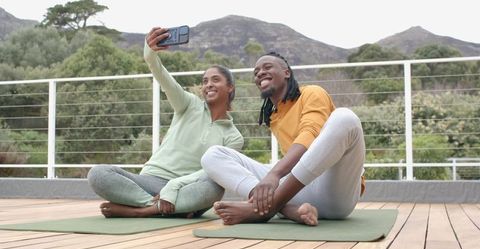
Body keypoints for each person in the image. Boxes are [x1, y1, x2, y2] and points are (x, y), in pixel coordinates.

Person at [87, 27, 244, 218]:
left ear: (230, 87)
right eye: (205, 81)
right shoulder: (189, 104)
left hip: (184, 188)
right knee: (98, 174)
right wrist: (150, 52)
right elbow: (163, 78)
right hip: (150, 182)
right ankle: (157, 208)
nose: (208, 84)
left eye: (215, 80)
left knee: (215, 186)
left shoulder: (234, 137)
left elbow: (210, 172)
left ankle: (141, 211)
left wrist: (174, 186)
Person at [201, 52, 365, 226]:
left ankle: (266, 209)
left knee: (345, 118)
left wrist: (275, 174)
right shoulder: (273, 116)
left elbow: (309, 136)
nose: (260, 73)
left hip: (335, 193)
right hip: (298, 192)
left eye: (267, 67)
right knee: (212, 155)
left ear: (286, 72)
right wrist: (274, 177)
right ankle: (286, 209)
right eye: (256, 72)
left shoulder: (311, 93)